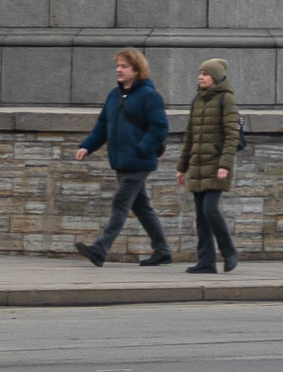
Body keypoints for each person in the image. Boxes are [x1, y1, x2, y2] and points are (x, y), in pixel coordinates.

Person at [72, 47, 173, 267]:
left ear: (137, 70)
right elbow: (102, 126)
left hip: (138, 161)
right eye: (118, 65)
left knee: (120, 202)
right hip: (121, 160)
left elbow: (160, 126)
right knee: (141, 207)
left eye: (124, 66)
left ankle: (100, 249)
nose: (119, 70)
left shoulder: (149, 96)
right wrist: (87, 147)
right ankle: (163, 250)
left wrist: (142, 149)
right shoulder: (113, 95)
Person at [178, 54, 240, 275]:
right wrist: (182, 166)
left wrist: (224, 164)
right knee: (201, 216)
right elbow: (189, 135)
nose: (200, 77)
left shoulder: (226, 99)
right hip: (197, 165)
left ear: (216, 77)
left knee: (210, 209)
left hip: (216, 165)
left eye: (205, 74)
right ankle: (206, 261)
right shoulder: (197, 100)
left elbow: (232, 136)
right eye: (200, 73)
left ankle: (228, 251)